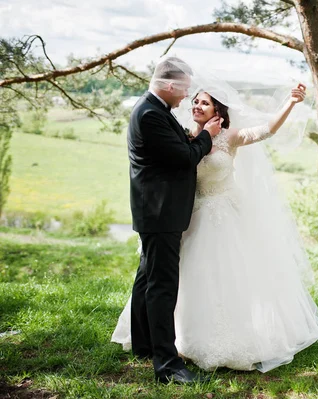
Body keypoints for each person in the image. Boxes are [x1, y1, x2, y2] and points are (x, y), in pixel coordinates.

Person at [113, 71, 318, 373]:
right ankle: (170, 338)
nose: (197, 106)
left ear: (218, 111)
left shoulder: (230, 136)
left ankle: (224, 338)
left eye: (205, 103)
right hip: (189, 217)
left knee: (224, 276)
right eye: (196, 101)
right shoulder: (184, 131)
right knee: (176, 278)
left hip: (224, 215)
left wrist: (290, 104)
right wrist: (204, 136)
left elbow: (266, 130)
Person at [125, 56, 222, 384]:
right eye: (183, 90)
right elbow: (186, 158)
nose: (186, 97)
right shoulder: (151, 114)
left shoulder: (153, 109)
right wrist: (207, 136)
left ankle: (144, 345)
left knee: (147, 278)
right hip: (160, 212)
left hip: (155, 210)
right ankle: (167, 366)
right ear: (168, 85)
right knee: (162, 286)